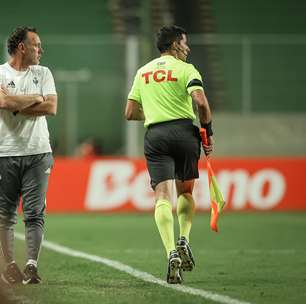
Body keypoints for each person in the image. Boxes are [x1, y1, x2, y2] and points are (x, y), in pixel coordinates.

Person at [125, 25, 214, 284]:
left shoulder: (143, 72)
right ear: (175, 45)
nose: (187, 48)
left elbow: (130, 112)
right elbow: (201, 103)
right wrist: (207, 131)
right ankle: (184, 239)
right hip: (185, 133)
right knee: (185, 192)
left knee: (162, 196)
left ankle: (171, 252)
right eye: (184, 43)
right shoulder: (187, 69)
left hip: (156, 136)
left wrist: (153, 112)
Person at [0, 26, 57, 284]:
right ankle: (10, 265)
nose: (41, 50)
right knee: (5, 214)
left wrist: (16, 103)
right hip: (5, 153)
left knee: (35, 213)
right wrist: (35, 98)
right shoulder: (0, 73)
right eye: (36, 45)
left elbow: (51, 107)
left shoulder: (44, 72)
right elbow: (3, 103)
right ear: (22, 47)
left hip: (38, 152)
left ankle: (32, 266)